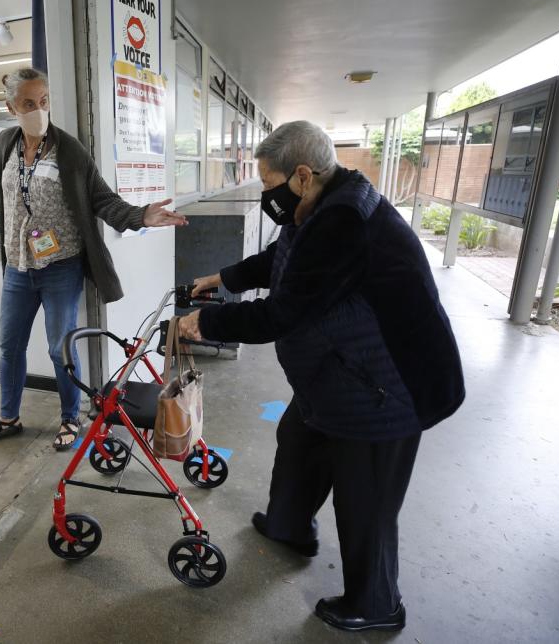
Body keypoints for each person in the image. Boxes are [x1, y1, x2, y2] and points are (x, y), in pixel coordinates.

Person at [179, 121, 464, 632]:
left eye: (269, 183)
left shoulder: (345, 224)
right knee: (300, 438)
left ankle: (377, 604)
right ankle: (290, 527)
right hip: (339, 376)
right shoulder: (319, 206)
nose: (266, 194)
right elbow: (282, 261)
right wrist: (224, 278)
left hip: (388, 388)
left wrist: (206, 321)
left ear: (303, 176)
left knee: (365, 499)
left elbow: (281, 314)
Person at [0, 67, 187, 450]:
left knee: (60, 348)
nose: (38, 110)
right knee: (9, 346)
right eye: (27, 104)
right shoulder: (4, 144)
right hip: (18, 268)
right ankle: (8, 416)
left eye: (43, 101)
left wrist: (140, 216)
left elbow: (102, 199)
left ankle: (70, 418)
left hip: (61, 267)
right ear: (11, 107)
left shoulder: (69, 151)